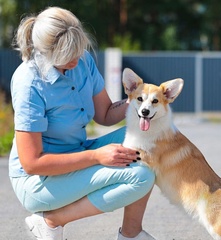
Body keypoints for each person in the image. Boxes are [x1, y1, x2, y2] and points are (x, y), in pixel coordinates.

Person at [9, 6, 156, 240]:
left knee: (151, 139)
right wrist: (96, 157)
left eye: (79, 51)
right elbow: (32, 164)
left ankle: (131, 235)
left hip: (76, 152)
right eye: (69, 56)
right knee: (141, 176)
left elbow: (105, 115)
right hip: (39, 181)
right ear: (48, 53)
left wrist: (142, 101)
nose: (77, 61)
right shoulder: (29, 83)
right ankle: (50, 220)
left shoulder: (82, 60)